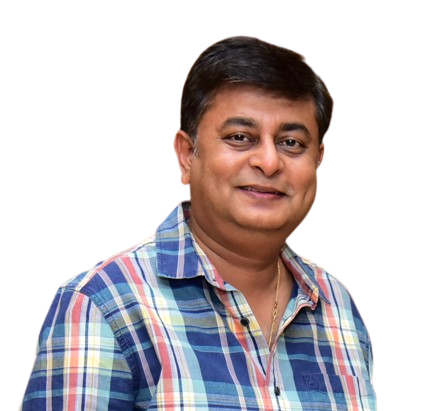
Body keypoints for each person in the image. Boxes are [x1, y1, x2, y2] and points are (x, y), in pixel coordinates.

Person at [19, 35, 377, 410]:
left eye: (291, 143)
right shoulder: (104, 305)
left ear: (318, 159)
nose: (270, 162)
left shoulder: (337, 305)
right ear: (187, 155)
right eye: (241, 137)